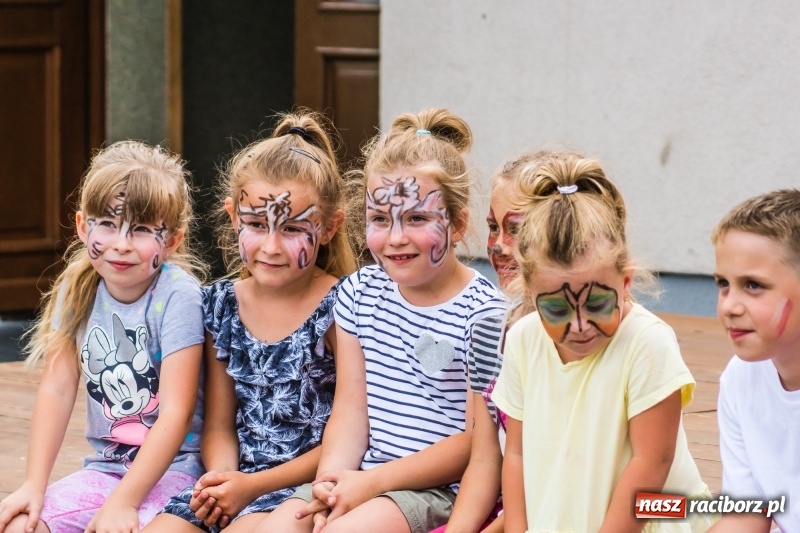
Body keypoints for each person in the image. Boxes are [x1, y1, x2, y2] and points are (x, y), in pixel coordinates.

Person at [258, 108, 507, 533]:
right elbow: (350, 411)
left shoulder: (484, 315)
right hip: (362, 475)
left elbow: (475, 443)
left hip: (433, 489)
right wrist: (329, 486)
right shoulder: (359, 293)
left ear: (458, 223)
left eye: (417, 218)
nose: (395, 238)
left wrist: (372, 484)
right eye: (379, 219)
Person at [142, 111, 358, 533]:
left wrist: (251, 487)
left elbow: (347, 436)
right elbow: (219, 424)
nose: (271, 246)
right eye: (256, 225)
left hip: (303, 487)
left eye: (292, 229)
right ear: (233, 216)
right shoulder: (221, 304)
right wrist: (223, 482)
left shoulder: (342, 306)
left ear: (329, 227)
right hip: (235, 481)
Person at [492, 151, 714, 533]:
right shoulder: (524, 341)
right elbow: (516, 454)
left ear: (625, 281)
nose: (580, 325)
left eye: (597, 303)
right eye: (557, 309)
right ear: (528, 290)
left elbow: (651, 463)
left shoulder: (647, 343)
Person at [0, 141, 207, 533]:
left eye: (142, 229)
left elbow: (176, 414)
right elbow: (57, 389)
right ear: (83, 226)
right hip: (107, 469)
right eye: (108, 224)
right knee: (20, 525)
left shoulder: (179, 296)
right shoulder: (77, 289)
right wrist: (33, 485)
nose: (121, 244)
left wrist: (124, 503)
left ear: (172, 241)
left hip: (177, 473)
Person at [429, 151, 547, 533]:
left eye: (517, 229)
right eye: (494, 227)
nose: (498, 246)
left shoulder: (576, 340)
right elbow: (485, 460)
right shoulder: (487, 332)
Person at [708, 189, 800, 533]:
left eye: (753, 285)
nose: (730, 306)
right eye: (723, 284)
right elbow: (747, 515)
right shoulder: (740, 377)